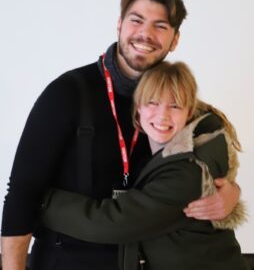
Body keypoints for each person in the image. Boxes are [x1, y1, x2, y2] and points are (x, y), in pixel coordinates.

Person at [1, 0, 240, 270]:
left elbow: (204, 171)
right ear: (119, 25)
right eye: (136, 21)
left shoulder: (184, 109)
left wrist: (231, 194)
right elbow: (22, 191)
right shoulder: (67, 93)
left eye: (160, 26)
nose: (145, 34)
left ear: (175, 39)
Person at [40, 61, 248, 270]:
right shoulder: (173, 146)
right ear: (138, 106)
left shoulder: (187, 170)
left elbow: (112, 223)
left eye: (175, 106)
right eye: (152, 102)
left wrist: (42, 200)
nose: (162, 115)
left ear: (189, 111)